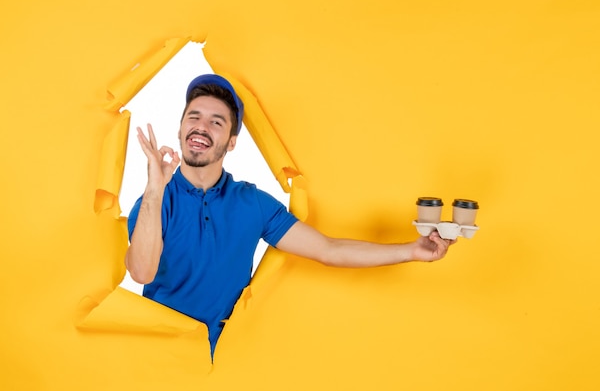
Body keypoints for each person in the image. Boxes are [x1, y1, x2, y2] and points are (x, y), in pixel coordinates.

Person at [125, 74, 456, 357]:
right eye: (193, 117)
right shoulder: (154, 202)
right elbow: (141, 272)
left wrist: (412, 251)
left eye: (217, 121)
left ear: (232, 142)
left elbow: (329, 250)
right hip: (158, 360)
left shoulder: (252, 202)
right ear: (181, 128)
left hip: (226, 363)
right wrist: (155, 186)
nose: (201, 127)